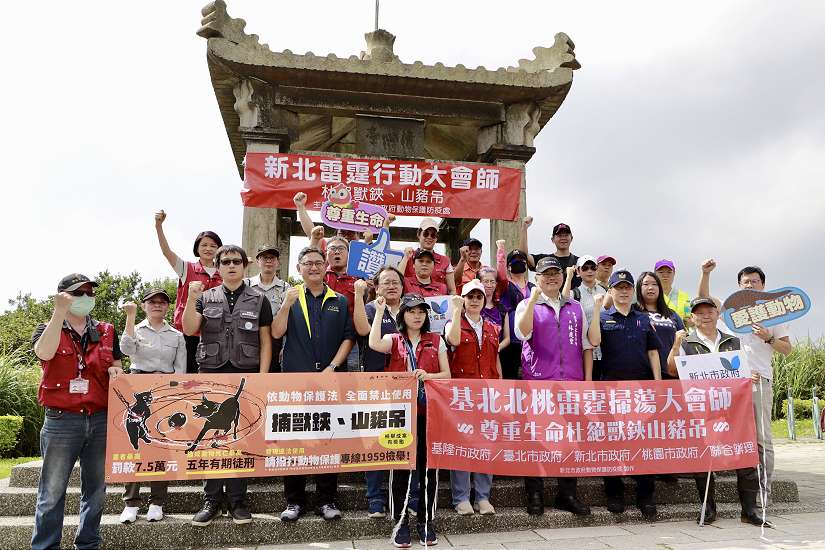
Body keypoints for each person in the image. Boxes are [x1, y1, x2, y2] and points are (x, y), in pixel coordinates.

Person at [31, 274, 124, 550]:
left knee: (96, 492)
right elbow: (44, 354)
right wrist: (58, 313)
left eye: (89, 292)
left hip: (99, 418)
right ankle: (46, 546)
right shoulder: (47, 328)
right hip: (62, 420)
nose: (85, 297)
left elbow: (116, 362)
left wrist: (117, 370)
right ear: (63, 296)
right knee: (51, 492)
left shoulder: (106, 330)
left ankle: (88, 544)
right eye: (78, 292)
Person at [182, 245, 273, 527]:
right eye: (226, 262)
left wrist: (262, 376)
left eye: (237, 261)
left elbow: (266, 341)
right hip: (211, 372)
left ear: (245, 266)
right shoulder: (204, 296)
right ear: (218, 266)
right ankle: (210, 499)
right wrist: (190, 298)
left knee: (239, 437)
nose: (231, 265)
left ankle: (237, 500)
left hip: (245, 374)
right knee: (211, 438)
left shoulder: (259, 299)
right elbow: (188, 329)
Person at [667, 297, 769, 527]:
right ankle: (709, 508)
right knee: (704, 460)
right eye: (699, 312)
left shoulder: (733, 341)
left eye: (709, 311)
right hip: (702, 410)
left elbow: (743, 370)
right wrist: (675, 345)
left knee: (745, 456)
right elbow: (672, 370)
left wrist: (749, 376)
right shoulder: (687, 343)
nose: (705, 315)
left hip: (734, 409)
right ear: (692, 317)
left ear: (717, 314)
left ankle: (749, 511)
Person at [697, 261, 792, 507]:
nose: (750, 285)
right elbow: (704, 299)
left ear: (763, 286)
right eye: (745, 282)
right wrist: (705, 273)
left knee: (762, 439)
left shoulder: (775, 313)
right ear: (739, 287)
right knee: (723, 436)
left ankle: (763, 492)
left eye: (754, 281)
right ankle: (723, 496)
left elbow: (787, 349)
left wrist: (768, 337)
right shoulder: (730, 313)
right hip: (730, 385)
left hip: (760, 382)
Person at [273, 246, 355, 522]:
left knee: (327, 440)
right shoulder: (291, 296)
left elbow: (348, 337)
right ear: (299, 269)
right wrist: (285, 305)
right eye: (307, 263)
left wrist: (333, 367)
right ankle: (294, 501)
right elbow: (276, 332)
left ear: (325, 267)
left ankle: (326, 500)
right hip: (296, 381)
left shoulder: (339, 300)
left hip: (331, 380)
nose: (313, 267)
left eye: (318, 263)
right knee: (294, 440)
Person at [368, 293, 450, 547]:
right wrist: (380, 312)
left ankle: (426, 521)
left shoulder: (437, 340)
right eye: (412, 311)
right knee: (400, 470)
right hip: (399, 416)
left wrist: (429, 375)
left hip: (429, 416)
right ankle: (400, 521)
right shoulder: (394, 339)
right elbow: (373, 344)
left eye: (421, 312)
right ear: (402, 315)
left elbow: (447, 374)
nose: (417, 316)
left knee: (428, 470)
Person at [514, 257, 592, 517]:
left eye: (555, 273)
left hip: (571, 382)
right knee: (536, 440)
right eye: (545, 274)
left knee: (570, 440)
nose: (551, 278)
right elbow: (522, 334)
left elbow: (585, 345)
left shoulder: (576, 307)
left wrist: (586, 382)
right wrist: (534, 300)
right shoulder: (526, 304)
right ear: (537, 278)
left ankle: (567, 494)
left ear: (562, 277)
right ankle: (534, 494)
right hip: (538, 383)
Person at [588, 269, 661, 521]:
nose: (623, 291)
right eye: (618, 287)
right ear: (611, 291)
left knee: (643, 442)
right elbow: (593, 341)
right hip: (612, 389)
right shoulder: (604, 317)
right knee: (613, 443)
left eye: (627, 287)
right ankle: (614, 494)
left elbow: (653, 352)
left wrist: (658, 384)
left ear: (632, 290)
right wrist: (597, 309)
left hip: (642, 390)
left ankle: (645, 497)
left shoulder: (642, 318)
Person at [119, 289, 185, 524]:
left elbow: (180, 368)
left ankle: (157, 502)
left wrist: (174, 392)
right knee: (134, 446)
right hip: (138, 388)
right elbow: (126, 350)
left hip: (164, 390)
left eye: (162, 302)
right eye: (152, 302)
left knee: (159, 446)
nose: (157, 305)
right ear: (144, 305)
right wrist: (129, 317)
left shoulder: (176, 335)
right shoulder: (135, 329)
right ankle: (131, 502)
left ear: (168, 306)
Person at [445, 280, 501, 516]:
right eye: (470, 297)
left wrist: (501, 388)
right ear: (463, 299)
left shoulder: (492, 327)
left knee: (485, 444)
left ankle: (483, 496)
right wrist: (457, 310)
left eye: (479, 296)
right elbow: (453, 340)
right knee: (462, 446)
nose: (475, 300)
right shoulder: (453, 322)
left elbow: (494, 359)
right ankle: (460, 497)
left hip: (487, 394)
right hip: (462, 395)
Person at [353, 267, 402, 519]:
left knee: (401, 441)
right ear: (377, 286)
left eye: (396, 282)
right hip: (374, 383)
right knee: (374, 441)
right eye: (386, 282)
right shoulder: (371, 308)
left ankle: (400, 497)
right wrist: (358, 296)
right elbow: (362, 330)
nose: (392, 286)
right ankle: (374, 498)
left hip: (405, 386)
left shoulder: (412, 310)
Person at [154, 210, 223, 373]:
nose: (208, 249)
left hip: (215, 335)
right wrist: (158, 226)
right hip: (187, 335)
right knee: (185, 378)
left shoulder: (225, 272)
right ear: (197, 248)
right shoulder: (186, 268)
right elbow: (166, 252)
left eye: (213, 246)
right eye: (204, 245)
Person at [247, 244, 289, 372]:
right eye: (265, 257)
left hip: (274, 341)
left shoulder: (285, 288)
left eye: (272, 258)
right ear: (258, 261)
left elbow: (289, 319)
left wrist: (285, 346)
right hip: (249, 340)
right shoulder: (246, 284)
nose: (269, 261)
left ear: (278, 262)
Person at [562, 255, 606, 381]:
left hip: (605, 351)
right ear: (578, 271)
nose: (590, 271)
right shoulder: (575, 293)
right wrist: (569, 277)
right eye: (585, 268)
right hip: (584, 353)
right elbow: (563, 302)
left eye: (593, 267)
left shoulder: (605, 291)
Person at [635, 271, 684, 380]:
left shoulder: (672, 314)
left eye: (654, 284)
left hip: (671, 372)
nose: (650, 288)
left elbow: (684, 341)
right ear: (639, 288)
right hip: (642, 375)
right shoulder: (632, 312)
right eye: (646, 284)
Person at [498, 249, 535, 380]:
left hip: (530, 340)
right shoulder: (504, 285)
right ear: (508, 266)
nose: (518, 263)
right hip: (511, 339)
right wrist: (501, 250)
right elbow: (501, 274)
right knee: (510, 376)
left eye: (522, 261)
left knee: (529, 377)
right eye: (514, 261)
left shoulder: (533, 287)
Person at [520, 217, 580, 289]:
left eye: (566, 235)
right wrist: (524, 228)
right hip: (549, 299)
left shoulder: (580, 262)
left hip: (575, 299)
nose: (563, 238)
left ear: (571, 238)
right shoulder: (544, 260)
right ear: (552, 239)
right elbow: (523, 255)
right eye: (559, 235)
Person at [402, 218, 457, 295]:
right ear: (418, 234)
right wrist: (405, 258)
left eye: (433, 235)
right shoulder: (408, 255)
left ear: (436, 238)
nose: (429, 237)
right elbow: (397, 279)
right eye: (426, 234)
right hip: (412, 303)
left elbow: (452, 290)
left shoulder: (445, 260)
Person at [478, 266, 511, 353]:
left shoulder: (502, 309)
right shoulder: (474, 306)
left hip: (496, 354)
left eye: (492, 281)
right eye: (486, 281)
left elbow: (507, 338)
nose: (489, 285)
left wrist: (497, 348)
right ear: (480, 283)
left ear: (496, 284)